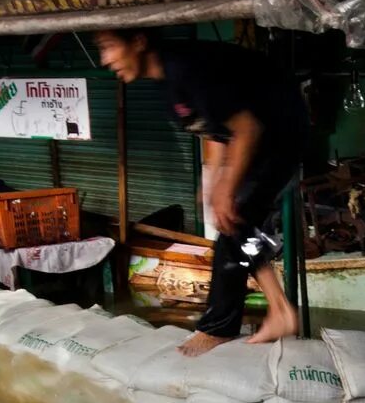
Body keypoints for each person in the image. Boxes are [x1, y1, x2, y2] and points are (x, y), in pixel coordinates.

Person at [95, 30, 304, 356]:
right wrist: (214, 181)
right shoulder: (167, 81)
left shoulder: (187, 69)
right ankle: (280, 311)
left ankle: (220, 327)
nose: (105, 60)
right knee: (235, 225)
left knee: (233, 225)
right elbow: (215, 128)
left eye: (108, 47)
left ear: (138, 40)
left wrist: (227, 187)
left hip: (279, 135)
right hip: (260, 138)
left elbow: (247, 129)